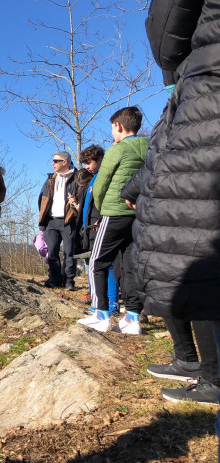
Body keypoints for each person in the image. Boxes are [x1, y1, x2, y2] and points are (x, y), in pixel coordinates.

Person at [122, 0, 220, 406]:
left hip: (208, 94)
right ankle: (196, 366)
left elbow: (165, 36)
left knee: (191, 258)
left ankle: (210, 377)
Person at [77, 107, 147, 335]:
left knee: (97, 261)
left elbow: (101, 183)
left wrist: (100, 206)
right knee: (130, 265)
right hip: (138, 215)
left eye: (112, 128)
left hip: (114, 213)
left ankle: (101, 314)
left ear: (118, 126)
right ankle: (133, 318)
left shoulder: (117, 150)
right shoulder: (149, 147)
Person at [70, 145, 121, 316]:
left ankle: (111, 303)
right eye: (84, 163)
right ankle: (98, 302)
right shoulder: (92, 179)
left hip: (101, 226)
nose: (86, 167)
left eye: (89, 163)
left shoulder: (104, 177)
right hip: (90, 228)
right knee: (96, 265)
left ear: (100, 160)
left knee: (107, 265)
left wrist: (103, 218)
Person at [38, 151, 78, 290]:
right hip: (51, 220)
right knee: (52, 251)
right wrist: (42, 222)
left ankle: (68, 281)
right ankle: (54, 279)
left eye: (56, 161)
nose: (52, 163)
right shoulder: (51, 179)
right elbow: (42, 200)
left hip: (69, 220)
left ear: (65, 162)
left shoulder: (77, 178)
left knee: (69, 252)